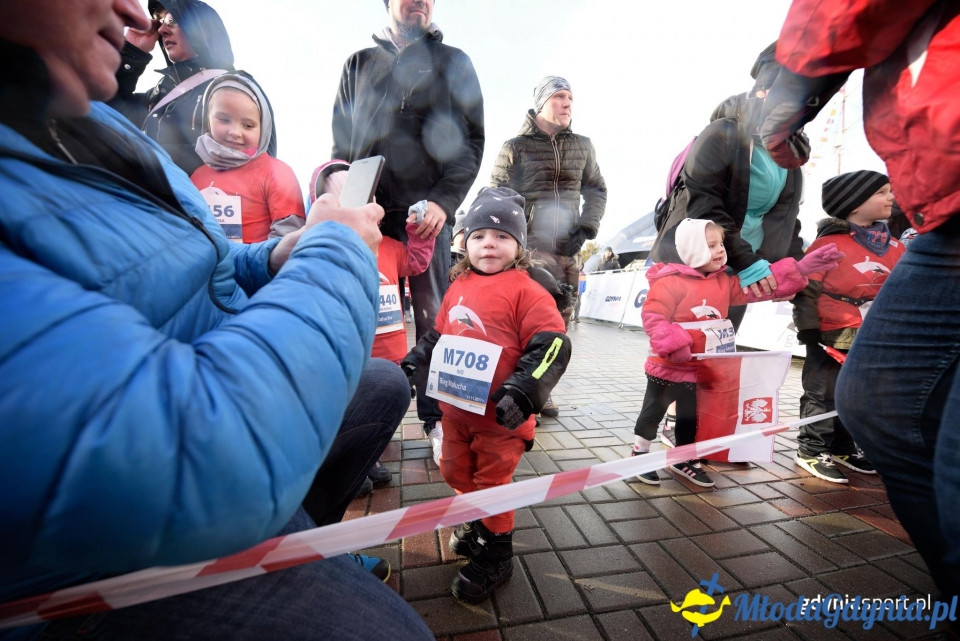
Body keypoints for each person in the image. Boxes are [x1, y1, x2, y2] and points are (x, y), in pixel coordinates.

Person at [0, 2, 432, 639]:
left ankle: (304, 540)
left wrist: (277, 254)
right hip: (102, 557)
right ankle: (278, 545)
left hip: (209, 424)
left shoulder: (87, 123)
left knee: (385, 385)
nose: (129, 9)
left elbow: (200, 259)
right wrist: (336, 249)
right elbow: (196, 451)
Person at [759, 0, 960, 602]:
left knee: (951, 460)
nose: (884, 198)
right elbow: (812, 283)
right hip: (945, 208)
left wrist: (795, 79)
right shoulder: (836, 240)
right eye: (876, 195)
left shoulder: (891, 237)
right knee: (877, 405)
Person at [401, 187, 572, 603]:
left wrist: (524, 392)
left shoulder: (527, 290)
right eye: (478, 235)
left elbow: (552, 346)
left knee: (494, 485)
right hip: (455, 413)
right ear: (463, 242)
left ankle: (498, 553)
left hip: (501, 419)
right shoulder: (459, 285)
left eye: (501, 236)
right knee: (456, 473)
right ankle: (480, 524)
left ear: (518, 246)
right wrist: (415, 361)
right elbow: (440, 334)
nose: (489, 243)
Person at [331, 0, 485, 453]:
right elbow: (341, 147)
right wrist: (341, 193)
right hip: (366, 218)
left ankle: (435, 420)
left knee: (432, 320)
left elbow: (471, 141)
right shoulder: (357, 64)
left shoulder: (455, 63)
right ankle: (358, 428)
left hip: (428, 222)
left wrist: (444, 200)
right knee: (362, 320)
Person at [632, 219, 841, 487]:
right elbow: (654, 317)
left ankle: (683, 458)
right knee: (653, 411)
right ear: (689, 249)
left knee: (690, 418)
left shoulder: (723, 281)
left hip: (703, 366)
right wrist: (673, 343)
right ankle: (639, 453)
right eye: (711, 246)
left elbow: (757, 289)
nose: (721, 250)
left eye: (720, 244)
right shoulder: (667, 282)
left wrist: (799, 268)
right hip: (669, 367)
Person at [651, 42, 808, 330]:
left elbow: (787, 218)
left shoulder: (789, 150)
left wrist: (795, 268)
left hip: (741, 268)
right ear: (764, 89)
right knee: (683, 356)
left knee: (721, 348)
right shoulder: (722, 134)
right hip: (697, 265)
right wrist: (746, 261)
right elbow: (704, 205)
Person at [309, 159, 435, 480]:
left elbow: (418, 262)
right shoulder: (323, 251)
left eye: (364, 196)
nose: (359, 207)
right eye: (344, 201)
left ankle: (369, 457)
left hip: (391, 352)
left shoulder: (390, 247)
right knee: (345, 406)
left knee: (384, 403)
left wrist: (418, 231)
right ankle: (345, 465)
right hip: (350, 356)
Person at [490, 74, 607, 416]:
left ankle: (542, 390)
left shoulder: (583, 145)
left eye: (570, 97)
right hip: (528, 251)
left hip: (568, 251)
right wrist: (515, 241)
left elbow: (598, 189)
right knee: (523, 322)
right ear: (541, 102)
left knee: (559, 325)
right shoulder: (516, 147)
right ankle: (514, 388)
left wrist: (586, 228)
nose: (567, 103)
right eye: (559, 96)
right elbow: (497, 195)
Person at [792, 171, 904, 484]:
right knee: (822, 392)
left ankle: (843, 448)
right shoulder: (827, 244)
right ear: (854, 204)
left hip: (874, 334)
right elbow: (806, 289)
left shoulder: (895, 246)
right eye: (881, 192)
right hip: (832, 331)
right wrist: (809, 330)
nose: (890, 198)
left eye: (889, 191)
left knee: (854, 394)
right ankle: (812, 450)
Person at [110, 0, 244, 174]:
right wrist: (132, 53)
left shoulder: (235, 88)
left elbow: (234, 153)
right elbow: (103, 111)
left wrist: (135, 153)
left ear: (200, 26)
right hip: (146, 198)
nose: (161, 30)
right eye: (159, 22)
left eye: (171, 20)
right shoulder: (158, 96)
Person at [190, 72, 305, 243]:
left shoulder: (278, 173)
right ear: (208, 119)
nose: (235, 132)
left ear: (263, 128)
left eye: (248, 125)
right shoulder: (196, 176)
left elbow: (289, 236)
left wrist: (257, 264)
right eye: (224, 119)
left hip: (255, 268)